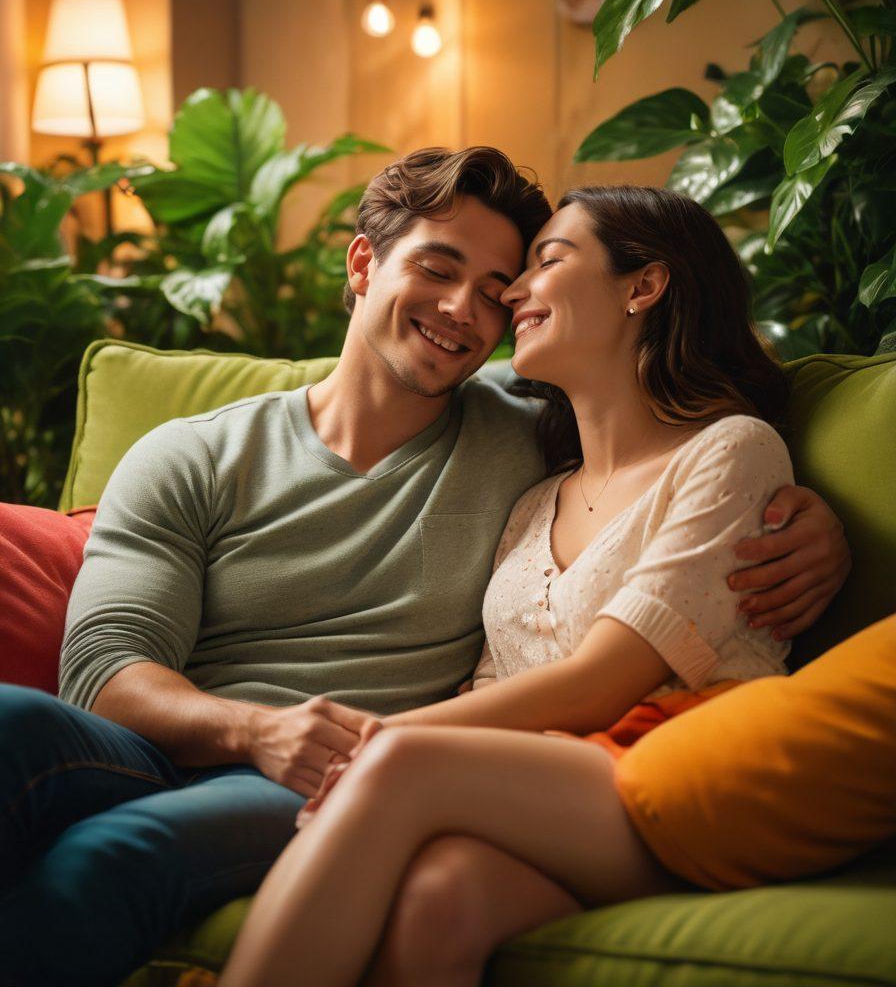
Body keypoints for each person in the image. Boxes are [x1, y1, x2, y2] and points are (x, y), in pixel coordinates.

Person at [0, 154, 847, 987]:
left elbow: (665, 430)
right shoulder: (193, 454)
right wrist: (256, 730)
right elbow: (102, 671)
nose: (467, 309)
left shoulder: (525, 431)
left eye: (497, 289)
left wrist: (819, 523)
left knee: (104, 859)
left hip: (348, 767)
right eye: (438, 270)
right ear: (362, 263)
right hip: (178, 747)